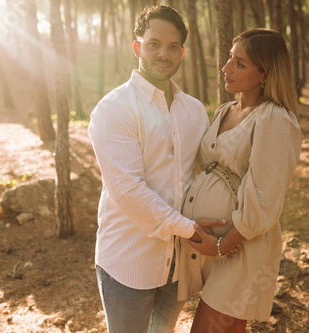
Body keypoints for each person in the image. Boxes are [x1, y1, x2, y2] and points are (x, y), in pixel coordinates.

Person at [88, 5, 225, 333]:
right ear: (137, 47)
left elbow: (203, 176)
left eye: (173, 46)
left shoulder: (194, 111)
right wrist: (191, 230)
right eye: (154, 44)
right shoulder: (115, 109)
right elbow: (128, 191)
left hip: (178, 264)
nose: (163, 54)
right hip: (128, 262)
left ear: (182, 53)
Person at [175, 29, 302, 332]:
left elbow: (265, 198)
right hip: (212, 247)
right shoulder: (225, 111)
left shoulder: (275, 119)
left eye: (240, 63)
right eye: (230, 58)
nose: (226, 68)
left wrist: (220, 245)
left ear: (264, 74)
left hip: (241, 250)